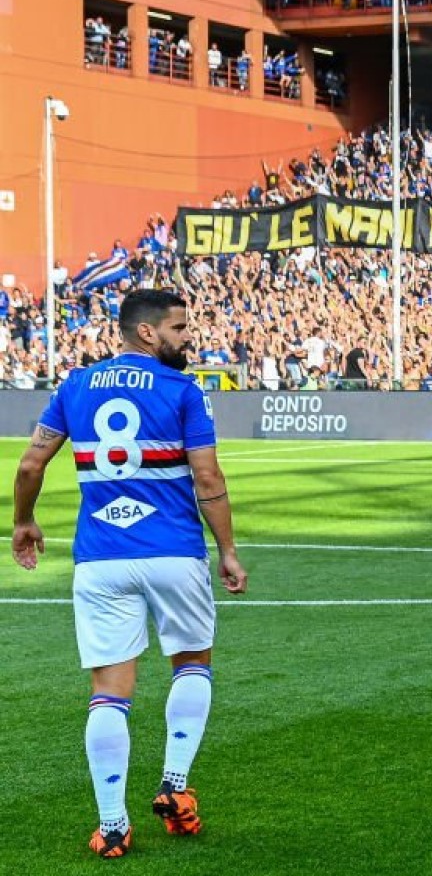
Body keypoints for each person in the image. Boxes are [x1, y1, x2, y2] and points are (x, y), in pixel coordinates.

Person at [9, 289, 247, 858]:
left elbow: (30, 463)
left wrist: (23, 522)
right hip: (173, 552)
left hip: (101, 558)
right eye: (180, 328)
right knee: (192, 661)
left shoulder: (74, 386)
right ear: (147, 333)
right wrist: (229, 550)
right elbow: (208, 480)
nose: (189, 337)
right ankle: (175, 784)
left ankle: (112, 826)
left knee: (109, 694)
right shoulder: (184, 390)